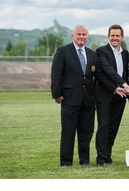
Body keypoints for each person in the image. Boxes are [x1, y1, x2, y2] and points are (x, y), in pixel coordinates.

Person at [51, 25, 99, 167]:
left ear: (87, 37)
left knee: (86, 133)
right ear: (73, 36)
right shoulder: (63, 51)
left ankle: (84, 161)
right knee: (68, 131)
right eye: (79, 34)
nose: (81, 37)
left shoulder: (92, 54)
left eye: (84, 34)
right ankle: (66, 161)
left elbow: (96, 77)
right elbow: (56, 74)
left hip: (88, 101)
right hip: (69, 99)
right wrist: (57, 94)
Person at [95, 24, 129, 167]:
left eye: (117, 35)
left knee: (114, 126)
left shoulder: (125, 53)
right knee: (103, 126)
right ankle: (101, 158)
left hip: (121, 97)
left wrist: (127, 88)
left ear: (122, 37)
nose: (115, 38)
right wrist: (120, 85)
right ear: (108, 36)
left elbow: (126, 73)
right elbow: (105, 71)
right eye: (112, 35)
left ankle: (108, 154)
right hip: (105, 95)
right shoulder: (101, 51)